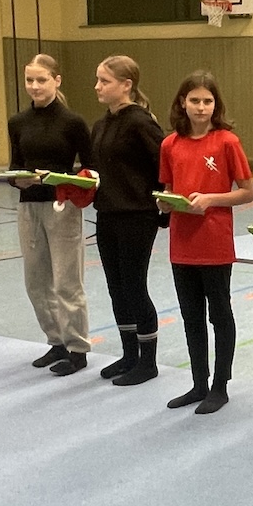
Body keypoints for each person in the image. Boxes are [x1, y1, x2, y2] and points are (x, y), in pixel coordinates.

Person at [158, 71, 253, 413]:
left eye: (208, 101)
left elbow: (247, 191)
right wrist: (165, 202)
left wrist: (211, 199)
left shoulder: (227, 142)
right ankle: (198, 383)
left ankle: (220, 386)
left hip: (214, 245)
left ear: (216, 105)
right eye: (195, 100)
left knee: (220, 315)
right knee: (191, 317)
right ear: (182, 103)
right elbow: (169, 188)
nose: (201, 107)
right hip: (181, 245)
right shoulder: (169, 145)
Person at [6, 54, 95, 376]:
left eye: (41, 80)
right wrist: (18, 179)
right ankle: (55, 341)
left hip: (62, 207)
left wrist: (63, 179)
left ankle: (77, 348)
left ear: (56, 80)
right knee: (36, 282)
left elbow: (91, 169)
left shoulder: (73, 123)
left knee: (67, 282)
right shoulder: (18, 122)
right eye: (29, 80)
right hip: (29, 206)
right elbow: (15, 164)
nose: (34, 86)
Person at [91, 55, 165, 386]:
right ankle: (129, 354)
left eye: (104, 81)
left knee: (135, 286)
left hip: (137, 216)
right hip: (107, 215)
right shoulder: (101, 125)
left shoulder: (141, 123)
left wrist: (161, 208)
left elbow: (163, 166)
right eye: (97, 80)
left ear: (126, 85)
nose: (97, 86)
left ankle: (148, 362)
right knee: (116, 287)